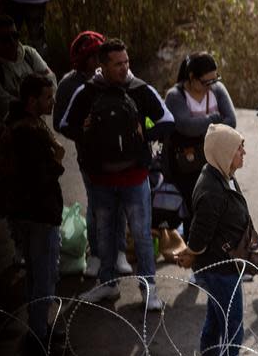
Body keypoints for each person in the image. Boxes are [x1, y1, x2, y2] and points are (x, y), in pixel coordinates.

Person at [59, 38, 174, 310]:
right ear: (102, 66)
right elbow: (65, 124)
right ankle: (107, 284)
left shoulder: (139, 89)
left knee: (142, 235)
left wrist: (144, 133)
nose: (124, 68)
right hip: (100, 180)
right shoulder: (87, 92)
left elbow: (167, 119)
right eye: (117, 64)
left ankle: (150, 290)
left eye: (127, 63)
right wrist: (82, 130)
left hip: (135, 178)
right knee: (104, 234)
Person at [175, 124, 258, 356]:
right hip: (219, 271)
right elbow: (199, 235)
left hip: (222, 269)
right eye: (239, 147)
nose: (244, 151)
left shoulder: (221, 176)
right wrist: (191, 251)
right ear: (224, 152)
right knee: (232, 334)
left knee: (216, 327)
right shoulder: (212, 189)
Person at [1, 75, 64, 351]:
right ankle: (38, 336)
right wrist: (56, 162)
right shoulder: (28, 132)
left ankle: (38, 327)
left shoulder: (16, 124)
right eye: (47, 97)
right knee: (43, 275)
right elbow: (39, 177)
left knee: (36, 274)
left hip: (24, 212)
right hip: (38, 214)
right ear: (32, 100)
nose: (52, 102)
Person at [54, 30, 124, 278]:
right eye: (93, 56)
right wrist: (86, 133)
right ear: (82, 59)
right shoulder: (69, 85)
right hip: (90, 158)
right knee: (97, 206)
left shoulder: (114, 79)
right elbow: (60, 123)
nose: (98, 61)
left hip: (119, 156)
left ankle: (119, 252)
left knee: (119, 204)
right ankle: (96, 254)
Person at [163, 52, 237, 235]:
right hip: (186, 166)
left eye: (215, 79)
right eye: (206, 81)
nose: (212, 85)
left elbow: (231, 121)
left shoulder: (217, 89)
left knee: (223, 208)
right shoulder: (175, 96)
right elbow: (186, 126)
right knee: (195, 212)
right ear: (192, 78)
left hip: (215, 161)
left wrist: (202, 124)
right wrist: (214, 119)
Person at [0, 14, 55, 124]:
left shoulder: (29, 54)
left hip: (37, 123)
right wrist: (39, 101)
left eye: (15, 35)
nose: (12, 42)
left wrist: (43, 100)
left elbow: (50, 79)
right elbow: (5, 104)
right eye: (5, 39)